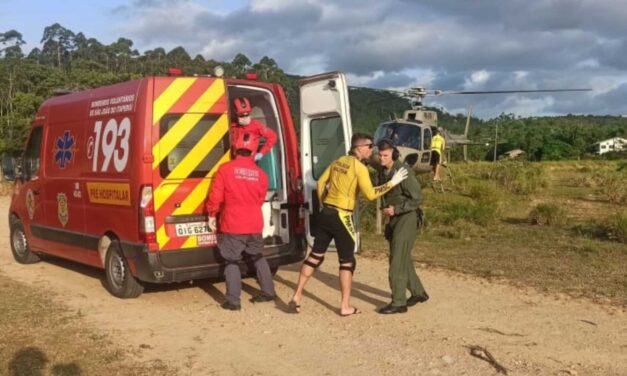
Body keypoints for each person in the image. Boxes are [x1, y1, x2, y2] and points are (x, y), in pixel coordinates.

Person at [289, 133, 409, 316]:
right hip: (342, 216)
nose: (372, 150)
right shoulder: (360, 168)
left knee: (315, 256)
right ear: (359, 148)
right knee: (347, 262)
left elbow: (321, 182)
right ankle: (345, 306)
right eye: (370, 146)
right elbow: (370, 194)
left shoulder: (338, 161)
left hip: (325, 213)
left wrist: (324, 203)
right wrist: (393, 182)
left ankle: (296, 296)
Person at [206, 132, 276, 311]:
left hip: (233, 223)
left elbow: (216, 196)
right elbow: (260, 199)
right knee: (258, 256)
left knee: (231, 261)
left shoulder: (225, 169)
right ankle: (268, 292)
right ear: (254, 151)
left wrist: (212, 214)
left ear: (235, 148)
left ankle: (233, 301)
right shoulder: (261, 174)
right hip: (254, 222)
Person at [374, 139, 429, 314]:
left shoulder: (403, 172)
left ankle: (398, 302)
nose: (382, 158)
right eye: (380, 155)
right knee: (401, 256)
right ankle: (418, 292)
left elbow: (418, 198)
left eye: (386, 155)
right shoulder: (383, 171)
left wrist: (396, 209)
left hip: (406, 218)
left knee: (397, 259)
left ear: (394, 155)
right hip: (394, 219)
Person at [231, 97, 277, 162]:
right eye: (241, 115)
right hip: (234, 160)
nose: (245, 117)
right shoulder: (233, 125)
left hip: (249, 161)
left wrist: (261, 153)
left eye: (247, 114)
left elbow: (272, 136)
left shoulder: (256, 126)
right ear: (236, 114)